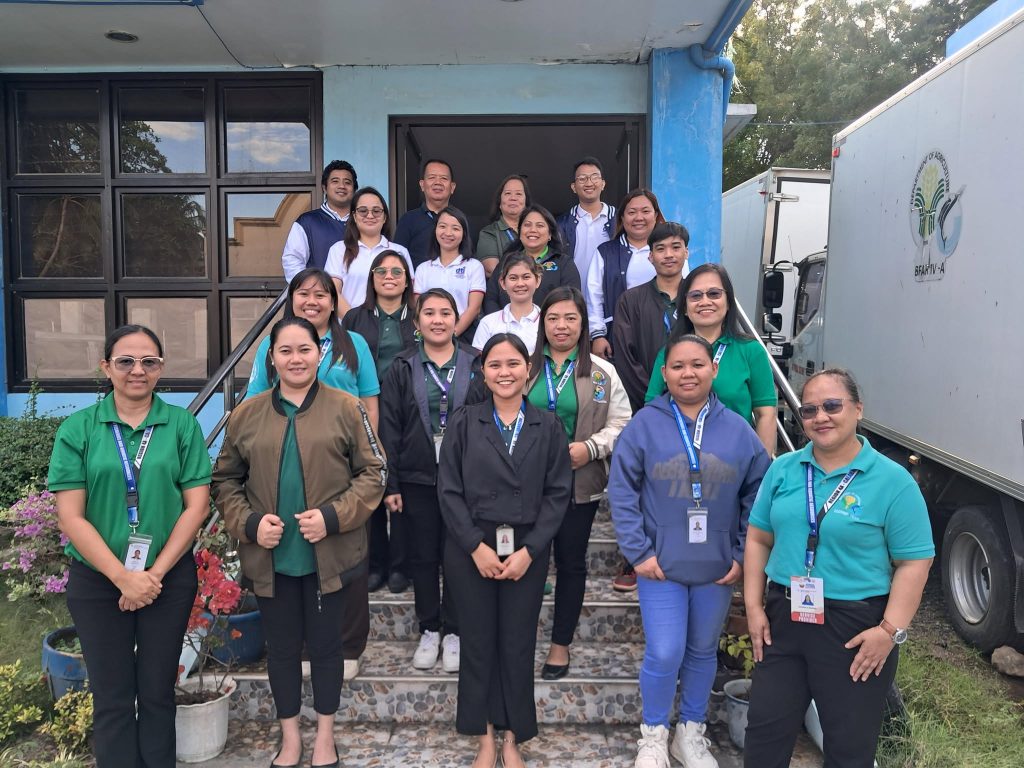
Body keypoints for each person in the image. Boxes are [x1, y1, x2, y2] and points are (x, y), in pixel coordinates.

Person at [213, 317, 387, 768]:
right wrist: (250, 524)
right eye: (285, 351)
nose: (295, 359)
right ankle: (290, 736)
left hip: (328, 554)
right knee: (282, 649)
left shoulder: (347, 408)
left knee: (327, 648)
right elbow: (225, 480)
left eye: (304, 349)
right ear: (271, 358)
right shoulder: (246, 414)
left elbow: (374, 473)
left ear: (319, 354)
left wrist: (333, 516)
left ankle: (325, 735)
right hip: (271, 557)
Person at [742, 369, 934, 768]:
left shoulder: (893, 481)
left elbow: (915, 561)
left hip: (854, 629)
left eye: (832, 405)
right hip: (784, 618)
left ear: (858, 409)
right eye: (809, 409)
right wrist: (754, 607)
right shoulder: (783, 469)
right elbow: (758, 539)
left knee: (849, 747)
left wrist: (889, 631)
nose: (820, 417)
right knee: (764, 735)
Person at [48, 324, 212, 768]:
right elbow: (71, 516)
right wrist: (122, 577)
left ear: (161, 368)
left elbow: (196, 506)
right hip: (98, 581)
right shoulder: (79, 429)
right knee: (112, 696)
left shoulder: (181, 424)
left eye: (148, 362)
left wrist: (152, 576)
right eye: (125, 361)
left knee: (158, 693)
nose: (137, 370)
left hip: (166, 579)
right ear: (106, 367)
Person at [608, 333, 770, 768]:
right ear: (664, 373)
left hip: (717, 566)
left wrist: (742, 553)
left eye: (697, 364)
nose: (688, 373)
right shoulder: (644, 424)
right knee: (664, 651)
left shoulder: (737, 429)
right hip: (660, 565)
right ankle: (653, 735)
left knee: (701, 650)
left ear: (713, 370)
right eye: (678, 366)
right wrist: (638, 552)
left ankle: (690, 732)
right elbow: (621, 490)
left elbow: (759, 493)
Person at [439, 333, 572, 768]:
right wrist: (474, 547)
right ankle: (483, 736)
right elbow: (448, 490)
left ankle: (513, 735)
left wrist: (530, 551)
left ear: (528, 369)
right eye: (495, 364)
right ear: (483, 372)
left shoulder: (548, 426)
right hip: (470, 547)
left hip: (526, 548)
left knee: (517, 643)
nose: (504, 372)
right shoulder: (464, 422)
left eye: (513, 363)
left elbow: (558, 494)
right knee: (477, 642)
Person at [247, 268, 379, 680]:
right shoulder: (271, 345)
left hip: (341, 469)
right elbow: (253, 406)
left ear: (334, 302)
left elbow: (370, 404)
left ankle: (349, 645)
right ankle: (301, 645)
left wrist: (369, 457)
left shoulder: (353, 343)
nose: (312, 301)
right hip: (283, 467)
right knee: (294, 560)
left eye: (322, 294)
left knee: (347, 558)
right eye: (303, 293)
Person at [526, 287, 631, 681]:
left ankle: (560, 644)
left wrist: (591, 448)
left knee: (570, 563)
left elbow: (623, 422)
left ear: (583, 324)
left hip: (578, 484)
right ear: (542, 323)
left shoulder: (602, 372)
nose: (562, 326)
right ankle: (519, 638)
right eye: (553, 318)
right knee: (528, 562)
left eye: (571, 318)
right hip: (525, 486)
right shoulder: (524, 366)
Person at [379, 288, 484, 674]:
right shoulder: (402, 366)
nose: (437, 320)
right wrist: (391, 484)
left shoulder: (475, 362)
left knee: (459, 556)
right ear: (417, 321)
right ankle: (429, 628)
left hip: (465, 481)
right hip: (416, 478)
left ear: (457, 319)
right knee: (422, 557)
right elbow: (389, 428)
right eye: (429, 313)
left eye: (445, 313)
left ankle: (454, 631)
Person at [343, 250, 418, 594]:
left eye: (397, 271)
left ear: (407, 280)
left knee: (401, 484)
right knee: (370, 480)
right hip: (365, 409)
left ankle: (402, 564)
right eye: (382, 271)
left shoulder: (418, 315)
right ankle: (376, 564)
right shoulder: (355, 318)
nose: (389, 277)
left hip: (409, 411)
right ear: (372, 279)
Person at [645, 263, 777, 454]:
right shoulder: (669, 353)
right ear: (684, 307)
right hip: (677, 459)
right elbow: (651, 411)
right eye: (695, 296)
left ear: (728, 302)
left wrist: (761, 467)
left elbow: (766, 414)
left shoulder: (751, 350)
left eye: (714, 294)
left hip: (736, 459)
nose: (705, 301)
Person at [613, 222, 690, 411]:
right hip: (645, 405)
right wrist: (654, 397)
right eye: (660, 249)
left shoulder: (697, 299)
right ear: (651, 256)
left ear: (686, 253)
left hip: (694, 401)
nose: (669, 255)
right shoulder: (630, 301)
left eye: (676, 247)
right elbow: (625, 359)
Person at [587, 188, 669, 360]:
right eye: (631, 212)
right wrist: (598, 335)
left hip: (662, 333)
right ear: (622, 218)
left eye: (645, 211)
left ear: (655, 216)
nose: (639, 218)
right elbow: (594, 296)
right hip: (617, 335)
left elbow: (682, 290)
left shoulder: (669, 251)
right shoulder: (605, 252)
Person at [324, 186, 413, 315]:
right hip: (348, 324)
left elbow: (408, 294)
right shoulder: (339, 250)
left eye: (376, 211)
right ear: (354, 216)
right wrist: (356, 321)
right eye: (363, 211)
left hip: (390, 324)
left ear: (384, 217)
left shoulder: (400, 252)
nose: (370, 215)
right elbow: (333, 291)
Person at [482, 204, 581, 315]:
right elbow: (491, 298)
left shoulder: (564, 263)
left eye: (540, 225)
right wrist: (502, 322)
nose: (533, 230)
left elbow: (571, 300)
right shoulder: (506, 262)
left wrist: (545, 322)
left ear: (550, 234)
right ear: (519, 232)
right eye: (527, 225)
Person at [413, 206, 486, 339]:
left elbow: (474, 308)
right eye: (442, 226)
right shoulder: (423, 269)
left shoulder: (474, 266)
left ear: (464, 233)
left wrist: (451, 335)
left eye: (455, 228)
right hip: (430, 336)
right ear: (435, 230)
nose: (448, 233)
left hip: (463, 336)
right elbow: (418, 307)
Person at [282, 160, 358, 281]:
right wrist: (310, 287)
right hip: (319, 292)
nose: (342, 186)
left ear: (354, 189)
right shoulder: (306, 222)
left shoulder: (365, 221)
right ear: (324, 188)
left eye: (347, 182)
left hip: (358, 292)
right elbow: (293, 261)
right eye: (335, 181)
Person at [555, 156, 616, 281]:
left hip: (611, 290)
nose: (589, 183)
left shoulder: (619, 219)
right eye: (582, 178)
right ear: (573, 187)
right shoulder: (562, 223)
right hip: (573, 290)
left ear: (603, 184)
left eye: (594, 177)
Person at [394, 158, 462, 267]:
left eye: (444, 178)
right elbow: (396, 260)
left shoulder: (460, 221)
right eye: (432, 177)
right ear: (422, 185)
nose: (438, 182)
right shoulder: (408, 220)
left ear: (452, 187)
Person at [471, 252, 543, 354]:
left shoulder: (546, 322)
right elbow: (478, 361)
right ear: (503, 283)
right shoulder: (488, 323)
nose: (520, 284)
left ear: (537, 280)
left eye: (526, 277)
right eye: (513, 278)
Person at [476, 174, 531, 277]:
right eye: (508, 193)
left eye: (519, 194)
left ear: (526, 203)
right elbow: (492, 270)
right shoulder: (489, 233)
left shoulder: (535, 231)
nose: (513, 198)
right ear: (500, 203)